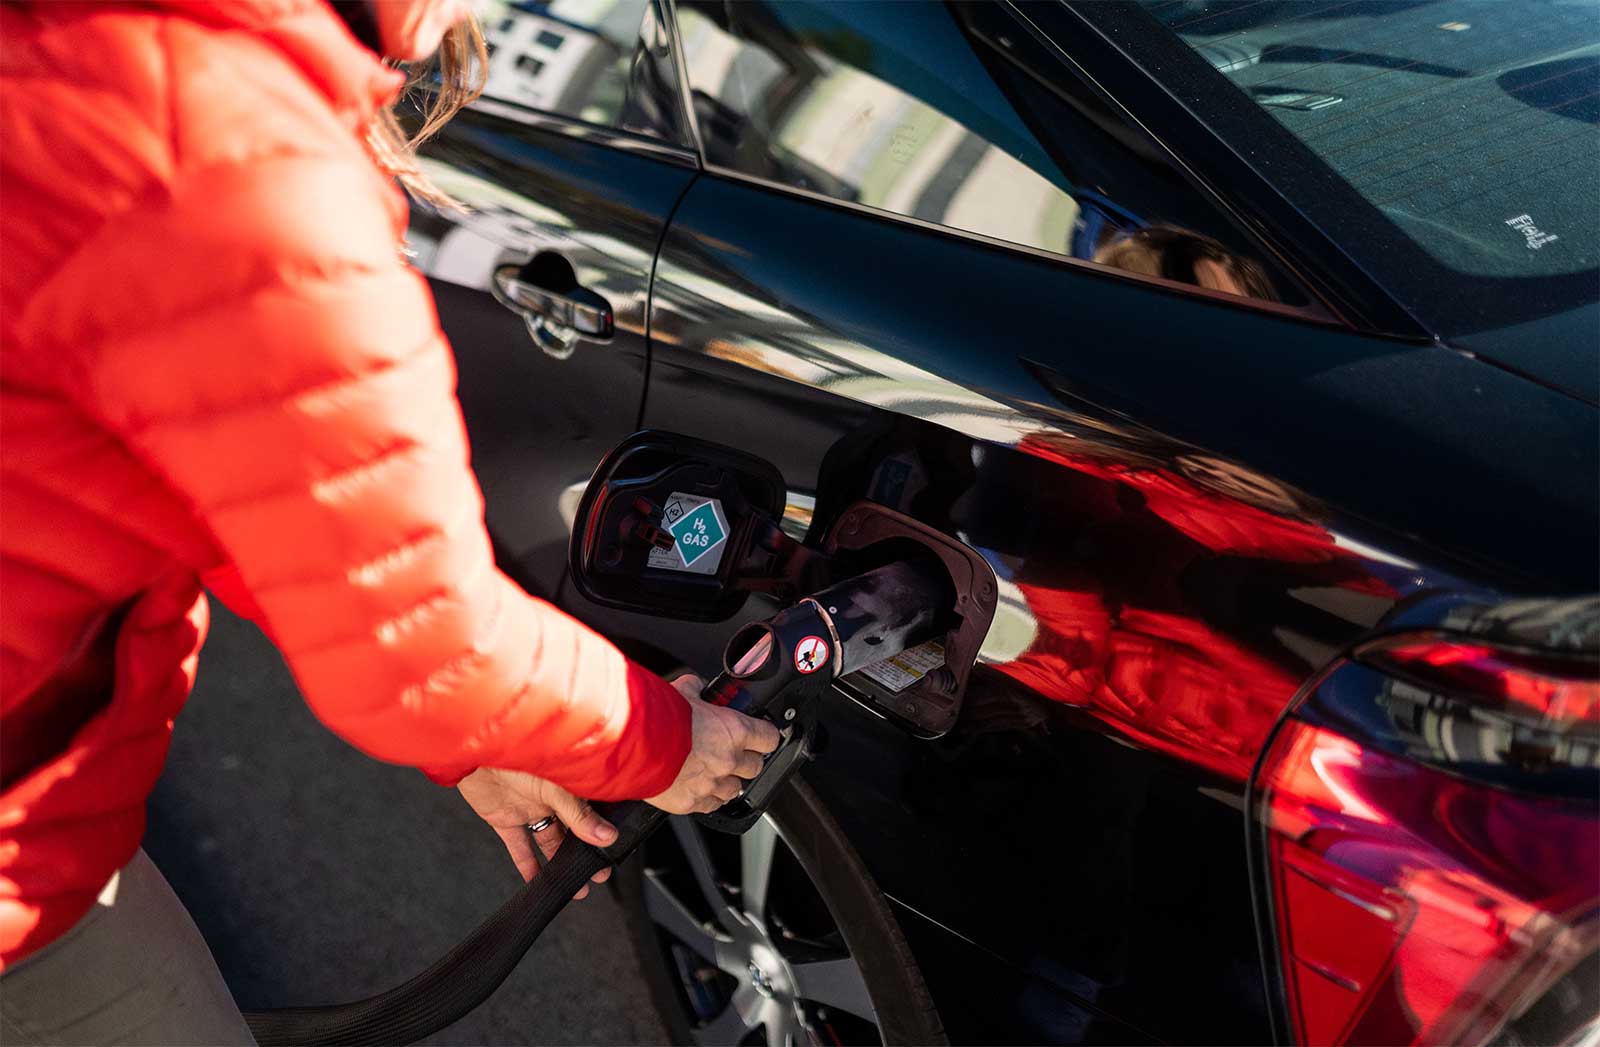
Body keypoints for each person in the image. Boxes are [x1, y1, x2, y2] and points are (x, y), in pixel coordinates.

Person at [0, 0, 781, 1042]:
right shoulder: (228, 163)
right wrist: (658, 740)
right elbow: (411, 635)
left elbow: (206, 484)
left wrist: (479, 736)